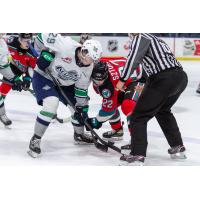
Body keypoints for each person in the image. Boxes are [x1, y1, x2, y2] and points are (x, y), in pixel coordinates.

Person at [116, 33, 188, 165]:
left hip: (164, 78)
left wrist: (122, 79)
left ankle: (137, 154)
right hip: (180, 77)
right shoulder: (156, 39)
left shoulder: (141, 36)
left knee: (138, 116)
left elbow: (133, 59)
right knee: (163, 110)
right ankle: (177, 146)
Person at [28, 33, 103, 158]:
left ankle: (79, 134)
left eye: (93, 61)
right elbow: (42, 36)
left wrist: (81, 106)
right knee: (51, 104)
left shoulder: (88, 66)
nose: (89, 63)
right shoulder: (65, 45)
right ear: (83, 51)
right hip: (44, 77)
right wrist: (40, 52)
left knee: (78, 110)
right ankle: (36, 139)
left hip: (66, 84)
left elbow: (81, 88)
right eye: (89, 59)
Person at [86, 59, 145, 144]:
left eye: (101, 80)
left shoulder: (109, 85)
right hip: (124, 82)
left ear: (106, 76)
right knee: (112, 104)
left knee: (128, 105)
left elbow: (108, 111)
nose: (98, 83)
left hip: (140, 79)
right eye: (95, 80)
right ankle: (117, 130)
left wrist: (96, 121)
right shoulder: (100, 65)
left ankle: (136, 141)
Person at [0, 33, 36, 126]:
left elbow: (31, 67)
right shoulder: (10, 42)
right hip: (11, 66)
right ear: (19, 39)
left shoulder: (33, 51)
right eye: (25, 40)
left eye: (29, 39)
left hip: (22, 68)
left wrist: (27, 79)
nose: (28, 42)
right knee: (5, 87)